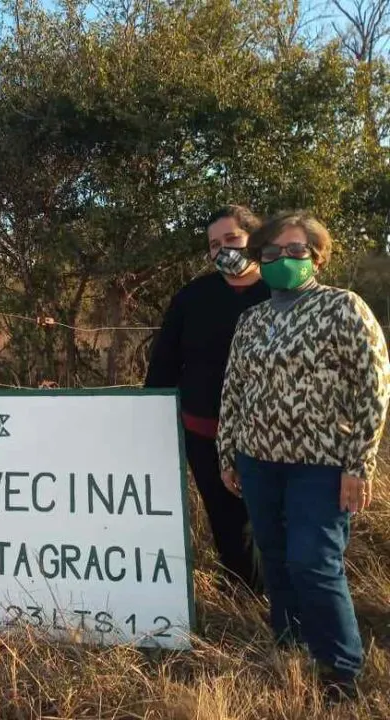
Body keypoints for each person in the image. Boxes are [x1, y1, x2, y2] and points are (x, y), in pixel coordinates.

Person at [217, 210, 390, 701]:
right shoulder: (252, 320)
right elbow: (234, 390)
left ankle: (340, 667)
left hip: (322, 464)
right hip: (258, 461)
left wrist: (359, 465)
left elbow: (373, 388)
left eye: (295, 251)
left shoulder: (344, 308)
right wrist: (228, 453)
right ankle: (290, 644)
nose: (282, 259)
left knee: (314, 560)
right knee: (274, 556)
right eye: (270, 253)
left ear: (316, 256)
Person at [145, 205, 270, 594]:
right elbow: (165, 361)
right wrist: (153, 417)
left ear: (255, 238)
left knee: (272, 518)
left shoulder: (282, 292)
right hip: (204, 432)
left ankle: (287, 599)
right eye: (214, 245)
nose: (223, 251)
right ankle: (244, 595)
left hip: (272, 436)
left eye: (231, 239)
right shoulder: (192, 297)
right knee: (227, 520)